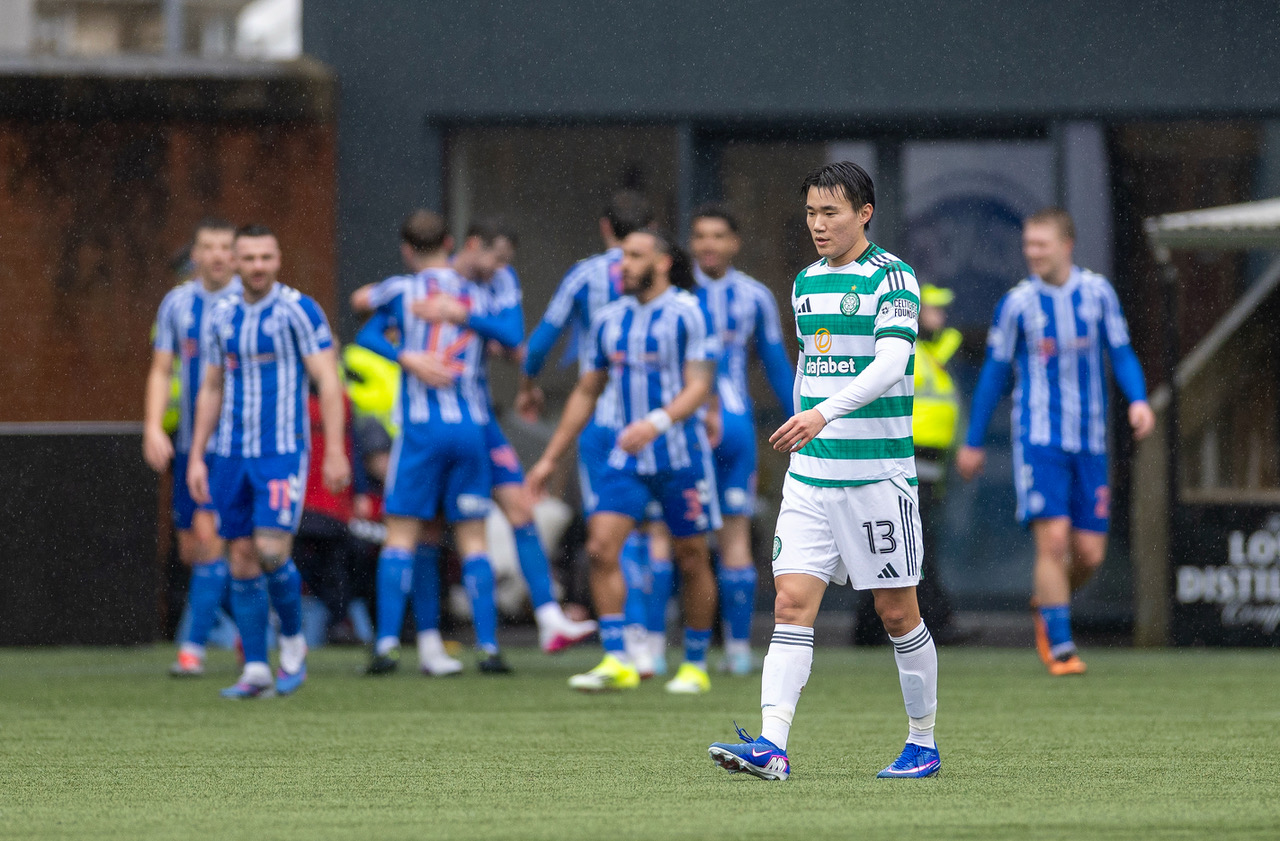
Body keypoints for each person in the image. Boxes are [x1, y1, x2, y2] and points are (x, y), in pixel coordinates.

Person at [708, 161, 940, 781]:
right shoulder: (807, 282)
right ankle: (772, 746)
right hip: (812, 476)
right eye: (811, 212)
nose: (818, 224)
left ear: (864, 214)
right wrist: (801, 420)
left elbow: (891, 363)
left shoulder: (895, 280)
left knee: (898, 614)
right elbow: (811, 363)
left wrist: (822, 414)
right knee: (790, 603)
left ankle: (923, 741)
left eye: (830, 212)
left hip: (875, 476)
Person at [956, 208, 1154, 676]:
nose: (1033, 253)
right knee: (1054, 541)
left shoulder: (1098, 293)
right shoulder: (1017, 304)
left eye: (1041, 244)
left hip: (1091, 441)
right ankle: (1061, 646)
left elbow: (1122, 352)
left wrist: (1139, 400)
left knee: (1090, 553)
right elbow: (995, 373)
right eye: (1028, 245)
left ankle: (1047, 602)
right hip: (1040, 438)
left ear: (1067, 244)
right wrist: (973, 440)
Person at [526, 229, 721, 694]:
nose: (623, 266)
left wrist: (656, 422)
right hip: (624, 457)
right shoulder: (609, 319)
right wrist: (549, 458)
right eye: (621, 257)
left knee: (691, 557)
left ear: (662, 262)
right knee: (599, 549)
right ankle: (618, 659)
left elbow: (699, 386)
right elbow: (587, 390)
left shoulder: (689, 313)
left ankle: (694, 664)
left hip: (680, 455)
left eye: (634, 257)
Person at [407, 219, 598, 653]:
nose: (500, 268)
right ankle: (426, 639)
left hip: (478, 417)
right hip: (429, 421)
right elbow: (373, 314)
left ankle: (547, 619)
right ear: (471, 246)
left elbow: (515, 338)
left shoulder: (497, 281)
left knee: (519, 507)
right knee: (428, 530)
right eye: (495, 258)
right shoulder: (430, 283)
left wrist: (467, 319)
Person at [188, 224, 351, 699]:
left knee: (271, 552)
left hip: (280, 453)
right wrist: (197, 456)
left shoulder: (299, 311)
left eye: (266, 257)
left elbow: (327, 380)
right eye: (250, 258)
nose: (258, 266)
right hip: (230, 454)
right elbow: (212, 387)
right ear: (236, 263)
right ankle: (257, 668)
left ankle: (294, 643)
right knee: (239, 558)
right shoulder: (221, 314)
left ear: (278, 261)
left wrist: (336, 450)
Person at [514, 191, 673, 675]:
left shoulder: (585, 275)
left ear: (605, 227)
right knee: (657, 534)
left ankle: (620, 646)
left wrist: (528, 384)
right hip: (659, 419)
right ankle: (654, 641)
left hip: (604, 422)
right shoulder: (668, 278)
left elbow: (543, 337)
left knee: (610, 534)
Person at [354, 210, 510, 676]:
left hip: (420, 430)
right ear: (450, 241)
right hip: (470, 428)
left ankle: (385, 646)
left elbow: (365, 327)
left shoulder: (403, 289)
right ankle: (488, 648)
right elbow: (512, 336)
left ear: (406, 249)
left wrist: (408, 357)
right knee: (472, 538)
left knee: (401, 535)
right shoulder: (478, 294)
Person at [688, 204, 796, 675]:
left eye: (718, 236)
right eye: (701, 236)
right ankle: (648, 645)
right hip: (680, 428)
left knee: (734, 534)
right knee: (666, 537)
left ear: (734, 243)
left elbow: (774, 360)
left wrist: (799, 419)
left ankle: (735, 647)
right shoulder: (675, 288)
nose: (709, 244)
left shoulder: (754, 296)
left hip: (732, 427)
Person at [144, 218, 241, 677]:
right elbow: (162, 369)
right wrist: (152, 428)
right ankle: (250, 625)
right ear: (196, 254)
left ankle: (193, 651)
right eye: (210, 246)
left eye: (227, 246)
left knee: (210, 541)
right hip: (188, 442)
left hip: (234, 443)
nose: (218, 254)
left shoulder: (251, 301)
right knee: (192, 550)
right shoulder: (177, 304)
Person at [852, 282, 963, 645]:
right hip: (902, 463)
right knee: (904, 548)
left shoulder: (931, 355)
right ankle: (925, 621)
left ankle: (872, 627)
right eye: (934, 309)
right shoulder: (903, 351)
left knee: (899, 547)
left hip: (925, 467)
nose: (941, 317)